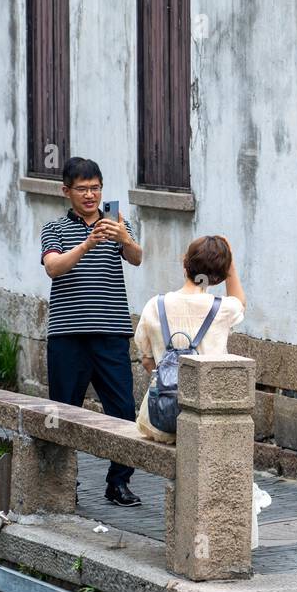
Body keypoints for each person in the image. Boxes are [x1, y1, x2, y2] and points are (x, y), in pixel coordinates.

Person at [39, 157, 145, 507]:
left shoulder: (117, 223)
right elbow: (54, 268)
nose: (90, 195)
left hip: (111, 333)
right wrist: (87, 244)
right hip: (68, 335)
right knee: (62, 413)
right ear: (66, 191)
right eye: (82, 189)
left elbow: (137, 258)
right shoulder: (54, 228)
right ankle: (60, 484)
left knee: (124, 411)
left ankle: (119, 483)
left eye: (96, 188)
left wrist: (124, 238)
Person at [134, 235, 246, 443]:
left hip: (161, 418)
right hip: (207, 417)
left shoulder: (154, 305)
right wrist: (230, 265)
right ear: (220, 276)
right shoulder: (223, 308)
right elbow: (240, 302)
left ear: (185, 263)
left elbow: (148, 361)